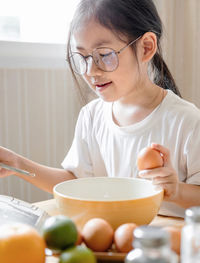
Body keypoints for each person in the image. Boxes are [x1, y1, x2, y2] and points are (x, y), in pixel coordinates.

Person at [0, 0, 200, 215]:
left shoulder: (186, 121)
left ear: (146, 47)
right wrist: (17, 163)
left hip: (168, 242)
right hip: (114, 242)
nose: (91, 71)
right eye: (83, 57)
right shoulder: (92, 116)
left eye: (104, 55)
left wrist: (177, 191)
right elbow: (76, 182)